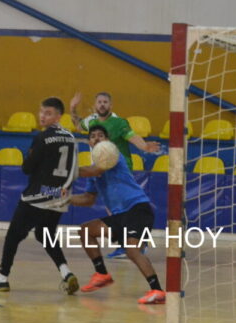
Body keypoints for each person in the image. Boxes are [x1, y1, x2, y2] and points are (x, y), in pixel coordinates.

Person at [0, 97, 80, 295]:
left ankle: (2, 279)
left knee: (13, 236)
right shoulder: (72, 138)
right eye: (41, 111)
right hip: (60, 197)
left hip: (38, 196)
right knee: (45, 235)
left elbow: (27, 168)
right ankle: (66, 273)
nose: (42, 116)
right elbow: (75, 170)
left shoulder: (43, 137)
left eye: (48, 113)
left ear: (58, 116)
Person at [70, 124, 165, 305]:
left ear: (108, 141)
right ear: (89, 142)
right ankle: (102, 274)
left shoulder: (112, 155)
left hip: (137, 209)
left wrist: (68, 172)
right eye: (93, 136)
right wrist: (66, 200)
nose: (96, 138)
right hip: (120, 216)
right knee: (85, 231)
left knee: (132, 251)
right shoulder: (93, 170)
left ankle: (158, 290)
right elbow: (88, 199)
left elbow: (95, 170)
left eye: (101, 135)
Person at [69, 91, 160, 259]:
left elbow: (131, 136)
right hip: (101, 168)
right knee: (112, 208)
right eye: (99, 102)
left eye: (105, 102)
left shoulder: (118, 123)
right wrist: (73, 108)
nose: (102, 104)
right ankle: (128, 244)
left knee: (123, 206)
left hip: (119, 168)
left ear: (111, 105)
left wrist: (144, 147)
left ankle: (134, 243)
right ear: (95, 105)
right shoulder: (93, 122)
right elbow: (78, 126)